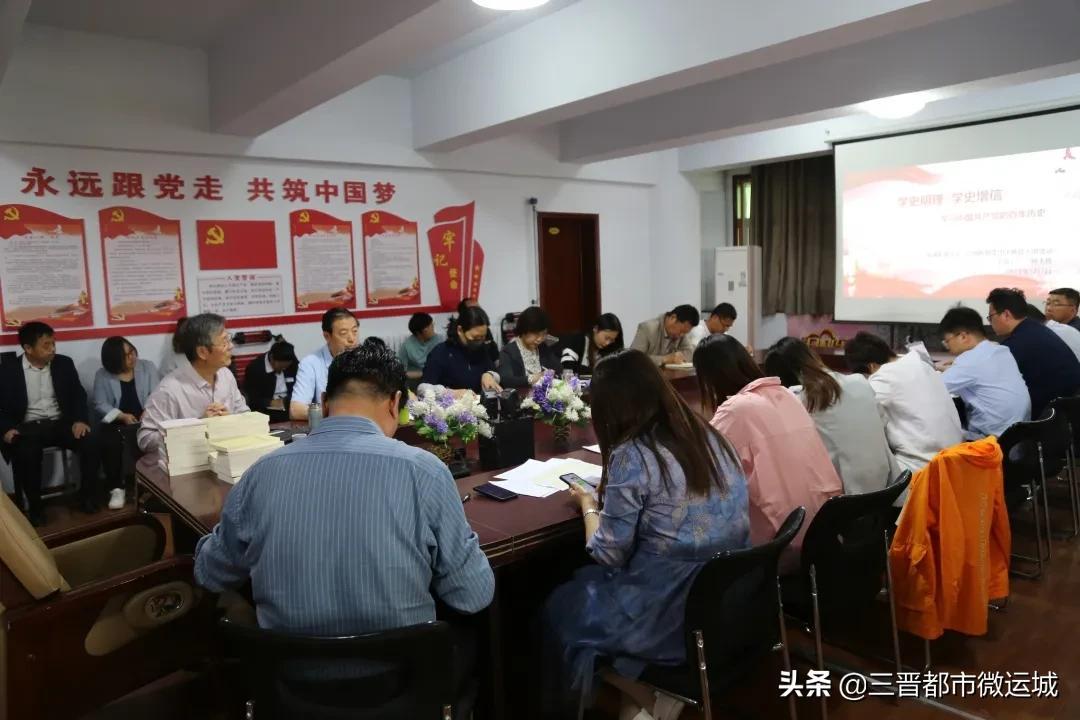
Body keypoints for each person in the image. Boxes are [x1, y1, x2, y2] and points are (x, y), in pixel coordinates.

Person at [195, 340, 494, 718]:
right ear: (395, 404)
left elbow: (210, 573)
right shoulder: (424, 471)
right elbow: (473, 595)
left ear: (324, 401)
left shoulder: (261, 472)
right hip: (402, 688)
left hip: (289, 688)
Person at [542, 348, 749, 719]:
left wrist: (588, 504)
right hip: (725, 600)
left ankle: (649, 696)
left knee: (561, 609)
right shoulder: (706, 434)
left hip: (668, 605)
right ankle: (650, 696)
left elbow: (608, 553)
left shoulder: (632, 453)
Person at [694, 334, 841, 562]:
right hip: (822, 533)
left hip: (780, 546)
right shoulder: (786, 394)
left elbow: (700, 466)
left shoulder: (735, 410)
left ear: (709, 378)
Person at [764, 337, 899, 495]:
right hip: (887, 488)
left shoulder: (797, 401)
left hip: (844, 498)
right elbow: (882, 423)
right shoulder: (859, 382)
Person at [0, 322, 101, 525]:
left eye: (53, 343)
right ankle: (35, 508)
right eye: (46, 345)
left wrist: (80, 420)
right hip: (27, 427)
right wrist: (6, 429)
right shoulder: (8, 370)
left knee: (91, 442)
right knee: (26, 452)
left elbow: (78, 395)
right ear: (28, 348)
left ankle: (87, 497)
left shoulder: (63, 363)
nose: (52, 349)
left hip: (60, 423)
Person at [844, 332, 963, 475]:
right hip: (955, 458)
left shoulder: (884, 377)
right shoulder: (920, 364)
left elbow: (854, 408)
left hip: (923, 467)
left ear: (871, 367)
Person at [138, 314, 249, 453]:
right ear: (202, 352)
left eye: (229, 339)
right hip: (187, 462)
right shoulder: (169, 390)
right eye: (224, 342)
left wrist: (230, 420)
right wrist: (196, 428)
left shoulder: (225, 375)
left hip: (225, 456)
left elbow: (244, 414)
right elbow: (145, 440)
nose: (231, 346)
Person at [937, 307, 1030, 440]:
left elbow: (933, 388)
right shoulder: (1000, 350)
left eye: (947, 341)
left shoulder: (970, 361)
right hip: (1018, 436)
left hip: (992, 441)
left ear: (963, 336)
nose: (947, 346)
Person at [986, 288, 1080, 418]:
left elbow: (990, 379)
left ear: (1006, 314)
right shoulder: (1035, 329)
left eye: (990, 317)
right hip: (1067, 408)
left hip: (1049, 416)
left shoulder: (1018, 342)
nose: (990, 322)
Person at [92, 337, 161, 510]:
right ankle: (116, 488)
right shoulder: (102, 375)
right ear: (114, 360)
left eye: (132, 351)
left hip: (145, 419)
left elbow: (157, 394)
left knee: (154, 436)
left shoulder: (148, 367)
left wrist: (148, 411)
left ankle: (152, 487)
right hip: (116, 422)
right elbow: (100, 403)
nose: (132, 357)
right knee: (109, 441)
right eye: (125, 356)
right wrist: (121, 416)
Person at [290, 307, 359, 420]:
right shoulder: (311, 363)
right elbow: (296, 410)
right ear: (327, 336)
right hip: (331, 427)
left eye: (355, 331)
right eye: (343, 333)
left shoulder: (366, 359)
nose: (352, 339)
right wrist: (337, 414)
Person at [422, 306, 502, 394]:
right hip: (449, 401)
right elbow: (424, 389)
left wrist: (490, 374)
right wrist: (450, 393)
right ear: (460, 330)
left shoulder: (482, 349)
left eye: (482, 337)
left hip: (478, 401)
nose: (479, 342)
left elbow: (494, 371)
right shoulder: (440, 353)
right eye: (475, 338)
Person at [498, 306, 561, 387]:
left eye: (544, 334)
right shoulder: (508, 351)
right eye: (536, 334)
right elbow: (506, 380)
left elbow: (558, 369)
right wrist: (532, 378)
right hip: (521, 394)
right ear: (524, 330)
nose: (540, 339)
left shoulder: (542, 347)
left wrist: (551, 372)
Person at [241, 339, 298, 423]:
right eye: (281, 367)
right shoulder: (255, 369)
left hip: (289, 405)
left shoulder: (293, 365)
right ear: (271, 358)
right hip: (266, 410)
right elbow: (252, 399)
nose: (283, 369)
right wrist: (270, 402)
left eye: (286, 367)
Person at [629, 304, 700, 367]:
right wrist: (665, 359)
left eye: (685, 332)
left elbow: (690, 353)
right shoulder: (648, 328)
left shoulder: (681, 334)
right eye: (681, 331)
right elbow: (634, 358)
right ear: (673, 318)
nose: (681, 335)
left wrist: (678, 357)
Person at [559, 313, 624, 376]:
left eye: (612, 340)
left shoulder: (609, 350)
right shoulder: (577, 339)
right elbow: (568, 367)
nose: (608, 343)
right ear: (595, 329)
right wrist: (597, 372)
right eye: (606, 338)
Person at [398, 312, 444, 379]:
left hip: (436, 378)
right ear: (418, 333)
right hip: (416, 380)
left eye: (432, 324)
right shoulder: (406, 346)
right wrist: (424, 373)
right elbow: (400, 373)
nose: (432, 327)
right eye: (429, 326)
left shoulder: (439, 340)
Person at [457, 297, 499, 364]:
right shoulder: (449, 350)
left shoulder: (485, 330)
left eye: (479, 309)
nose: (479, 312)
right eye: (474, 309)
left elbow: (494, 353)